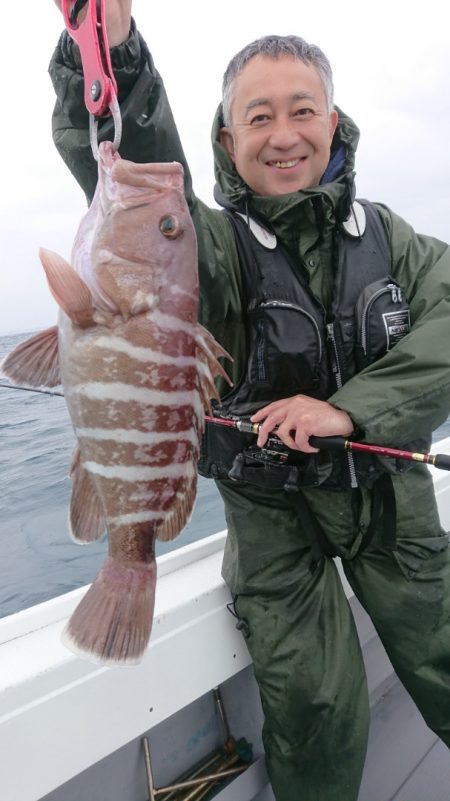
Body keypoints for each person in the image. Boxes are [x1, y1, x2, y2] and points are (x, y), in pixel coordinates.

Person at [50, 3, 450, 799]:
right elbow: (143, 190)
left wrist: (352, 410)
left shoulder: (397, 237)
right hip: (271, 521)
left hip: (391, 508)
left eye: (303, 111)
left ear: (334, 124)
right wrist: (113, 57)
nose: (284, 134)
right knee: (316, 705)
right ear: (227, 140)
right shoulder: (209, 245)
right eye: (257, 116)